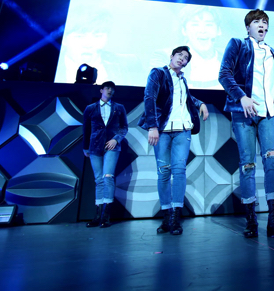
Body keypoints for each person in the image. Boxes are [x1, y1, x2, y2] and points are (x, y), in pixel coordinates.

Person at [218, 9, 274, 240]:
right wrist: (241, 97)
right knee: (247, 164)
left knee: (273, 161)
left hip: (269, 114)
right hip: (244, 112)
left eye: (265, 22)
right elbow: (224, 74)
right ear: (248, 27)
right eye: (257, 22)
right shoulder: (238, 44)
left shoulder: (272, 52)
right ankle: (251, 220)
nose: (262, 25)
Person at [139, 46, 209, 235]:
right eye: (179, 55)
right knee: (163, 172)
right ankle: (166, 216)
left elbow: (186, 98)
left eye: (185, 58)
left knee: (179, 171)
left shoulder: (182, 79)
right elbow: (149, 98)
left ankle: (175, 218)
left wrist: (201, 103)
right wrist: (152, 126)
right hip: (162, 130)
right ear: (171, 56)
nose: (182, 59)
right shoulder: (158, 73)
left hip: (182, 131)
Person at [83, 81, 129, 228]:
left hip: (112, 146)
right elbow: (86, 129)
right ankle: (97, 216)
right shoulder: (91, 108)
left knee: (108, 177)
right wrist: (85, 147)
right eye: (107, 88)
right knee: (99, 180)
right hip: (95, 146)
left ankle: (106, 216)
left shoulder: (119, 108)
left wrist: (116, 139)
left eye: (112, 89)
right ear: (101, 90)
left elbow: (124, 127)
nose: (110, 91)